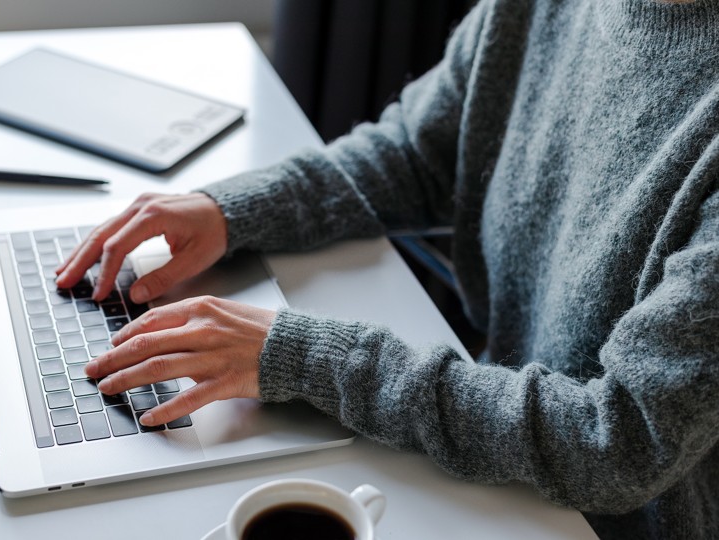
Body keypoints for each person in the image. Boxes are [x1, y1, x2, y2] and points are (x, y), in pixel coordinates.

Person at [55, 0, 719, 537]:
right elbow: (417, 151)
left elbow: (619, 441)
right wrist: (229, 211)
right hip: (505, 454)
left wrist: (300, 355)